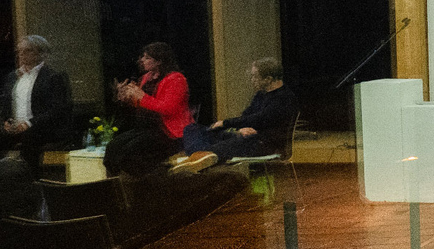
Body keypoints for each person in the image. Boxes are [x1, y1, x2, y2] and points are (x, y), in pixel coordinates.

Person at [175, 57, 300, 170]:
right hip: (246, 136)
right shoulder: (261, 94)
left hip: (262, 143)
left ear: (268, 79)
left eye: (255, 76)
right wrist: (240, 129)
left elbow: (261, 118)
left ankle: (196, 157)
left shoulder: (284, 98)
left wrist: (225, 123)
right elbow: (247, 115)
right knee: (192, 129)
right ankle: (199, 156)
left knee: (214, 145)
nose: (252, 80)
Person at [0, 34, 75, 171]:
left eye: (27, 50)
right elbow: (1, 105)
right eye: (19, 51)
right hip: (15, 127)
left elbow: (58, 109)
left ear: (41, 53)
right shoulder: (12, 77)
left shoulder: (54, 77)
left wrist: (29, 123)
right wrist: (4, 123)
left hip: (41, 128)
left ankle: (28, 180)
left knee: (29, 138)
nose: (21, 54)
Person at [107, 42, 192, 174]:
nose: (142, 60)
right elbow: (139, 105)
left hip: (166, 132)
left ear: (158, 61)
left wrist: (142, 97)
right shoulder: (146, 77)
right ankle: (116, 187)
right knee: (112, 147)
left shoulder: (176, 79)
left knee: (129, 152)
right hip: (145, 128)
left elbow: (168, 109)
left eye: (147, 57)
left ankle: (141, 187)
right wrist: (124, 98)